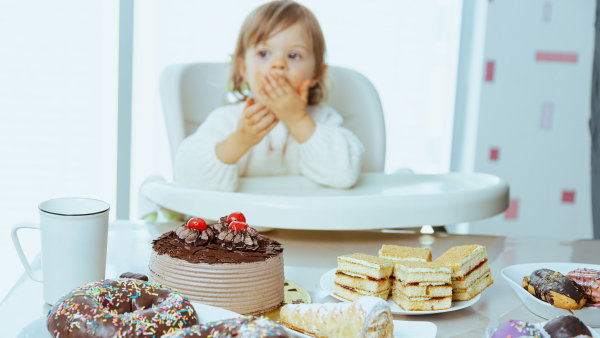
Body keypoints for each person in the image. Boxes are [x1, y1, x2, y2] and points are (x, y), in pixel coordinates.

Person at [174, 0, 364, 191]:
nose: (278, 64)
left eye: (294, 56)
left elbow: (345, 174)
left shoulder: (324, 120)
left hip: (304, 220)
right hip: (242, 219)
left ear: (317, 73)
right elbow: (187, 177)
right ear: (243, 68)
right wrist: (239, 142)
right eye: (264, 53)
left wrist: (298, 120)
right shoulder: (228, 121)